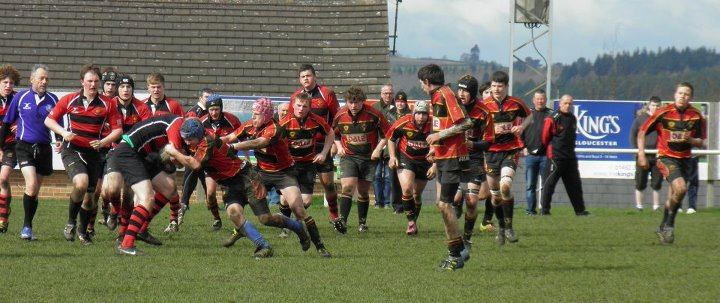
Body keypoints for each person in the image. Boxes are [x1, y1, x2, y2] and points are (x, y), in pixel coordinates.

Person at [163, 118, 312, 258]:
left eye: (189, 138)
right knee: (234, 213)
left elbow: (195, 165)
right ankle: (263, 246)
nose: (186, 141)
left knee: (265, 219)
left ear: (198, 135)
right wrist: (175, 157)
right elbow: (186, 161)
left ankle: (298, 228)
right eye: (184, 138)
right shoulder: (195, 142)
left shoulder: (207, 141)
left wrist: (174, 152)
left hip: (246, 177)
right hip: (229, 183)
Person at [226, 97, 331, 258]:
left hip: (284, 173)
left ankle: (319, 246)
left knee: (299, 210)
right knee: (255, 213)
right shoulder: (249, 126)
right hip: (261, 173)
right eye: (252, 114)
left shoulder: (275, 128)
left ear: (267, 115)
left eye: (256, 114)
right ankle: (239, 229)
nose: (252, 117)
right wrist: (212, 143)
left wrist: (234, 147)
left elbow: (258, 143)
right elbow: (229, 138)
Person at [45, 64, 123, 245]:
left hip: (94, 154)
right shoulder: (70, 100)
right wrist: (64, 133)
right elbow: (49, 120)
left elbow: (118, 130)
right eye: (90, 81)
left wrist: (103, 142)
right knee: (81, 183)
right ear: (82, 82)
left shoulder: (108, 103)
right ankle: (70, 223)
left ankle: (82, 231)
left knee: (90, 198)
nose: (93, 84)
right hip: (72, 150)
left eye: (96, 81)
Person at [419, 64, 473, 270]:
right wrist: (436, 148)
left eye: (421, 83)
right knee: (443, 205)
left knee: (444, 205)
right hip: (444, 156)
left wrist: (438, 136)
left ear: (426, 81)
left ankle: (457, 254)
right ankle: (459, 250)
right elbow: (444, 125)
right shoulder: (437, 96)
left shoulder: (445, 94)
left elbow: (466, 123)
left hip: (454, 157)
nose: (421, 87)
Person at [638, 82, 705, 245]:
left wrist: (690, 139)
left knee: (677, 194)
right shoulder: (663, 113)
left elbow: (701, 142)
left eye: (687, 94)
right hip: (666, 157)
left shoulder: (696, 115)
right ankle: (670, 225)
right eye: (680, 93)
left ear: (691, 97)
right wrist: (641, 154)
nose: (683, 96)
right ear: (675, 95)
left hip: (685, 159)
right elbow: (642, 132)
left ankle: (663, 226)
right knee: (681, 188)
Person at [111, 114, 185, 255]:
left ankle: (142, 229)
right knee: (147, 198)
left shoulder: (180, 124)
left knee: (169, 189)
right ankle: (126, 245)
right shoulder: (177, 124)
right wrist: (190, 161)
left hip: (143, 155)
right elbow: (173, 154)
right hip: (128, 151)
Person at [0, 64, 59, 240]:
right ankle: (24, 226)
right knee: (31, 184)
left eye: (46, 78)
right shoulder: (21, 97)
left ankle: (28, 226)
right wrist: (0, 147)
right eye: (41, 78)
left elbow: (57, 123)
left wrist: (61, 140)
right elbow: (7, 123)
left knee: (34, 191)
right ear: (32, 79)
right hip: (23, 146)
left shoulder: (53, 99)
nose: (44, 81)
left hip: (44, 149)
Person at [100, 74, 155, 244]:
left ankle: (122, 233)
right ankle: (114, 210)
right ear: (117, 89)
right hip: (114, 153)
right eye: (122, 87)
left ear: (132, 89)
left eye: (129, 87)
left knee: (129, 194)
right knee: (112, 190)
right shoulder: (109, 106)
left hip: (134, 155)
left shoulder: (142, 108)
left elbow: (147, 131)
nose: (125, 90)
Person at [278, 93, 343, 232]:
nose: (301, 109)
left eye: (304, 106)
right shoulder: (285, 122)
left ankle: (293, 224)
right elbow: (274, 141)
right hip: (289, 166)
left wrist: (324, 153)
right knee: (284, 200)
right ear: (293, 106)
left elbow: (330, 133)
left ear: (309, 107)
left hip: (308, 164)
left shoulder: (316, 120)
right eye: (298, 105)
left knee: (306, 201)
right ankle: (286, 228)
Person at [482, 71, 531, 245]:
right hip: (491, 153)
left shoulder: (516, 103)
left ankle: (509, 227)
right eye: (493, 86)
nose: (496, 89)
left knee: (505, 187)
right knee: (495, 197)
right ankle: (501, 227)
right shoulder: (484, 105)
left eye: (499, 86)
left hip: (510, 150)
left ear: (506, 86)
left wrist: (521, 127)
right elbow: (476, 127)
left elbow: (529, 116)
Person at [332, 86, 390, 233]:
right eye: (350, 102)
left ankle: (362, 223)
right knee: (347, 187)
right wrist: (339, 147)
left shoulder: (374, 114)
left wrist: (377, 149)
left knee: (363, 191)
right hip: (349, 156)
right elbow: (334, 134)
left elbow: (387, 134)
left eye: (356, 102)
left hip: (368, 157)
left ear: (363, 102)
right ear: (346, 101)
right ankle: (342, 222)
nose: (353, 105)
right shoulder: (340, 115)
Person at [289, 64, 340, 225]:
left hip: (322, 144)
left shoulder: (326, 94)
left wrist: (334, 142)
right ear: (299, 79)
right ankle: (291, 220)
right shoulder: (295, 96)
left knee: (328, 183)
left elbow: (337, 118)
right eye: (303, 76)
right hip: (303, 147)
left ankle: (334, 215)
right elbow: (290, 122)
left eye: (308, 76)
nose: (306, 79)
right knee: (296, 187)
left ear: (315, 77)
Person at [454, 75, 494, 254]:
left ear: (472, 93)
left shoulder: (483, 112)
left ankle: (467, 237)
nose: (461, 94)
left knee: (472, 201)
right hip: (452, 156)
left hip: (474, 158)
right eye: (459, 89)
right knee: (453, 198)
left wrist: (473, 145)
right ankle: (456, 203)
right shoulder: (452, 107)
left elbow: (489, 141)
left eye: (465, 91)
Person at [143, 72, 185, 233]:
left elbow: (181, 127)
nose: (156, 90)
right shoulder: (142, 106)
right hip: (147, 153)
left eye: (158, 87)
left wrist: (177, 150)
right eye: (153, 87)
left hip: (166, 151)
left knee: (170, 188)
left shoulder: (173, 106)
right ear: (148, 88)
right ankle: (139, 224)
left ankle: (173, 219)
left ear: (164, 87)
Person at [386, 100, 436, 235]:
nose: (421, 117)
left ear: (428, 114)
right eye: (418, 113)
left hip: (425, 162)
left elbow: (441, 145)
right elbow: (390, 137)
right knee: (407, 189)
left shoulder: (434, 125)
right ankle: (411, 223)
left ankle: (414, 222)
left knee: (416, 195)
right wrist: (392, 156)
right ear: (413, 114)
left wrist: (435, 165)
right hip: (406, 158)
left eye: (424, 114)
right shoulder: (404, 121)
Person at [539, 95, 590, 216]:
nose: (568, 106)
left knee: (575, 185)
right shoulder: (553, 118)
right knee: (549, 184)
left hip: (570, 157)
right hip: (556, 157)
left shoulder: (572, 118)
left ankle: (580, 211)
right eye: (566, 103)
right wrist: (552, 149)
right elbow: (545, 137)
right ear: (560, 103)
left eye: (570, 104)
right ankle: (544, 210)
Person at [199, 94, 243, 230]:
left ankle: (239, 222)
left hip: (229, 164)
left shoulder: (232, 120)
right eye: (211, 110)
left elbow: (242, 137)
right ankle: (217, 219)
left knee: (229, 194)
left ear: (221, 108)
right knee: (210, 194)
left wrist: (245, 155)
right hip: (211, 164)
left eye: (216, 109)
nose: (214, 112)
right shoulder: (202, 122)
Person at [180, 88, 214, 213]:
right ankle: (184, 203)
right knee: (190, 178)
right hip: (193, 151)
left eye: (211, 97)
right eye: (206, 97)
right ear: (200, 98)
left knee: (206, 179)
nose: (209, 100)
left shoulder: (211, 111)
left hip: (204, 151)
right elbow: (186, 131)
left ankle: (210, 204)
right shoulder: (194, 111)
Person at [520, 89, 552, 215]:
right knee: (530, 186)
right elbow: (520, 133)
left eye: (542, 98)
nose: (540, 101)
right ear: (534, 100)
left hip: (546, 156)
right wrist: (523, 147)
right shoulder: (527, 114)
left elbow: (556, 135)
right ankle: (530, 211)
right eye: (538, 99)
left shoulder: (551, 115)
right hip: (530, 156)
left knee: (546, 185)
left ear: (545, 100)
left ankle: (544, 210)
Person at [630, 97, 663, 211]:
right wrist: (638, 152)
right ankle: (639, 206)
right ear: (649, 105)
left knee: (657, 182)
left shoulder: (662, 120)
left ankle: (656, 207)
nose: (655, 108)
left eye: (658, 106)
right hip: (643, 155)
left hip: (658, 155)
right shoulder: (640, 119)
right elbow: (633, 136)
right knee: (640, 181)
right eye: (653, 105)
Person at [371, 84, 397, 211]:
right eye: (385, 93)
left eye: (390, 93)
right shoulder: (375, 108)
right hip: (376, 145)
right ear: (381, 94)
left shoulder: (397, 108)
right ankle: (377, 202)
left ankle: (386, 202)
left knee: (388, 176)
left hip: (391, 147)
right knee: (376, 175)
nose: (388, 95)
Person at [0, 64, 20, 233]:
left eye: (11, 83)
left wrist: (20, 124)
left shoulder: (18, 99)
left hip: (11, 145)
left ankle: (3, 218)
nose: (8, 85)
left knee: (3, 177)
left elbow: (29, 118)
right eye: (5, 82)